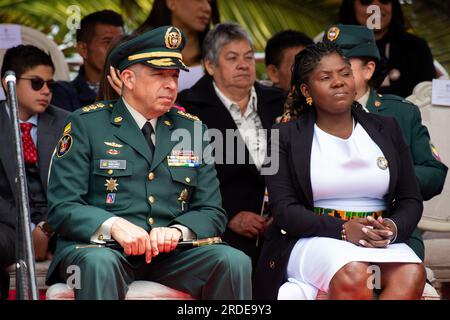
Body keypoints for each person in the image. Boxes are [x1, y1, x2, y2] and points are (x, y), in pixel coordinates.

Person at [45, 26, 252, 300]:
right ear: (128, 78)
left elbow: (212, 209)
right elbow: (63, 206)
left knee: (233, 261)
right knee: (100, 263)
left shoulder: (192, 130)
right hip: (99, 249)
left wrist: (177, 231)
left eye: (174, 75)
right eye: (159, 75)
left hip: (171, 254)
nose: (170, 84)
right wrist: (114, 225)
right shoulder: (86, 124)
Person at [254, 42, 426, 300]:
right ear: (306, 89)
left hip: (379, 238)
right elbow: (284, 210)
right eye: (325, 77)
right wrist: (344, 229)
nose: (338, 82)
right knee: (354, 272)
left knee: (412, 273)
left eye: (345, 73)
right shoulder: (283, 136)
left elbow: (410, 198)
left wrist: (391, 226)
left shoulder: (387, 128)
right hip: (315, 237)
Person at [322, 24, 448, 261]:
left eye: (343, 65)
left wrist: (385, 176)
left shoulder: (401, 113)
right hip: (327, 231)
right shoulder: (306, 114)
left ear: (368, 69)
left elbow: (434, 174)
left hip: (392, 228)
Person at [177, 22, 285, 266]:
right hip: (220, 230)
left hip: (282, 225)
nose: (244, 65)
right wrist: (229, 215)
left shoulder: (280, 102)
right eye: (232, 58)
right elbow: (183, 180)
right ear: (210, 65)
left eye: (248, 57)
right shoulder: (188, 110)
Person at [0, 45, 68, 298]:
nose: (47, 91)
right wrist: (27, 229)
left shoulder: (67, 122)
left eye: (51, 84)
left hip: (60, 223)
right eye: (37, 83)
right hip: (8, 224)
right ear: (8, 83)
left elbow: (76, 185)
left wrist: (46, 227)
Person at [339, 0, 436, 98]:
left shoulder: (417, 47)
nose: (376, 6)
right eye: (366, 0)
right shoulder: (333, 49)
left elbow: (428, 96)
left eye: (384, 0)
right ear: (351, 7)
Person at [135, 0, 220, 91]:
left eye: (209, 2)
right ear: (171, 2)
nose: (207, 8)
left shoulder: (219, 53)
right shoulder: (137, 51)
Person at [51, 10, 124, 111]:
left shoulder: (135, 87)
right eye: (108, 42)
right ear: (83, 49)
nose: (117, 48)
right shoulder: (63, 93)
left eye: (121, 42)